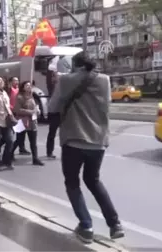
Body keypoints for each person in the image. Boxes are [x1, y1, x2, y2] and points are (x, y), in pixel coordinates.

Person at [49, 51, 124, 243]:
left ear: (77, 66)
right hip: (98, 141)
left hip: (74, 140)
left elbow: (53, 107)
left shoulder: (66, 80)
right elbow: (106, 105)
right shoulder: (105, 80)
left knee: (72, 183)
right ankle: (115, 224)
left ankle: (86, 226)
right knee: (93, 180)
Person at [12, 81, 44, 166]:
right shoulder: (19, 97)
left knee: (33, 142)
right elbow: (17, 110)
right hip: (21, 122)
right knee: (19, 140)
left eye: (30, 85)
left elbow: (34, 106)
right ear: (23, 87)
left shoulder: (31, 96)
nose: (29, 87)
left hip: (32, 122)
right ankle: (10, 153)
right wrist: (31, 112)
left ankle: (35, 159)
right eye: (27, 85)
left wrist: (37, 110)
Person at [46, 70, 60, 158]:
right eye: (55, 76)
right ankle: (49, 152)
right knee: (52, 133)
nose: (57, 77)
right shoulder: (52, 85)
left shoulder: (61, 85)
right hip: (54, 111)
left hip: (61, 111)